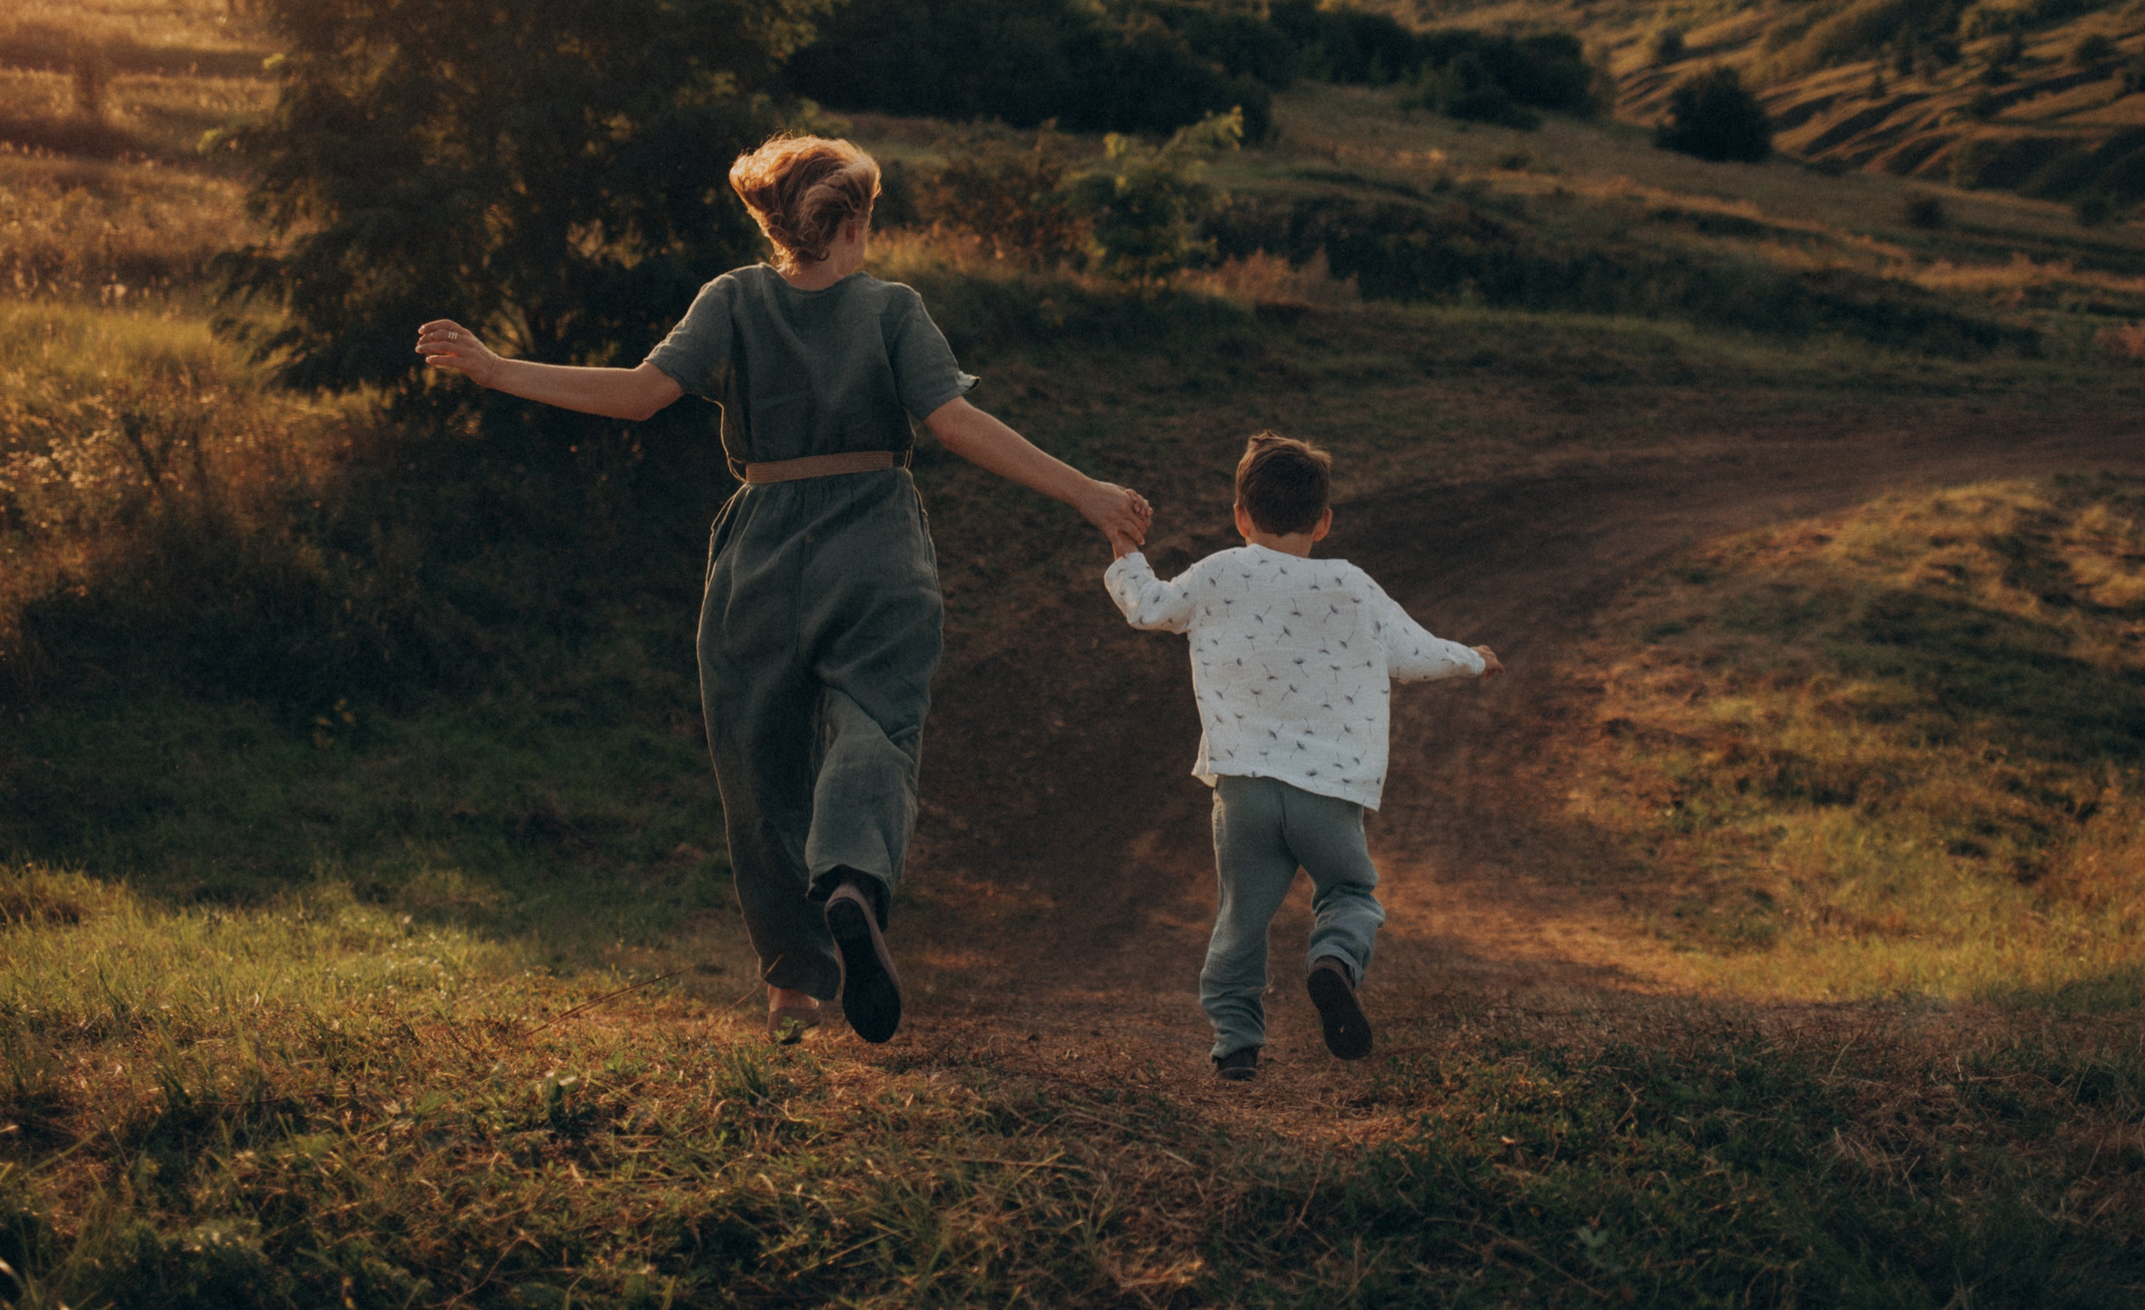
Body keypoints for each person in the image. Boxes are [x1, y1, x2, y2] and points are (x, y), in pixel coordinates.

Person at [416, 135, 1151, 1045]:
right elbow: (956, 423)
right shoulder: (892, 309)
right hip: (875, 540)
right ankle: (851, 879)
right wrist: (1086, 491)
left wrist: (496, 369)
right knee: (875, 722)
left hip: (760, 546)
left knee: (757, 763)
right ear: (850, 221)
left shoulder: (731, 299)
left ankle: (795, 988)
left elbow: (641, 394)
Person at [1102, 432, 1499, 1080]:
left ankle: (1235, 1041)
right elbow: (1416, 653)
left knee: (1242, 914)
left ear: (1240, 516)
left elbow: (1148, 608)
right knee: (1349, 892)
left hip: (1244, 786)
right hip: (1330, 789)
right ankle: (1333, 961)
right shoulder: (1352, 584)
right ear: (1324, 521)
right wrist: (1472, 659)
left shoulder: (1219, 571)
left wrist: (1127, 556)